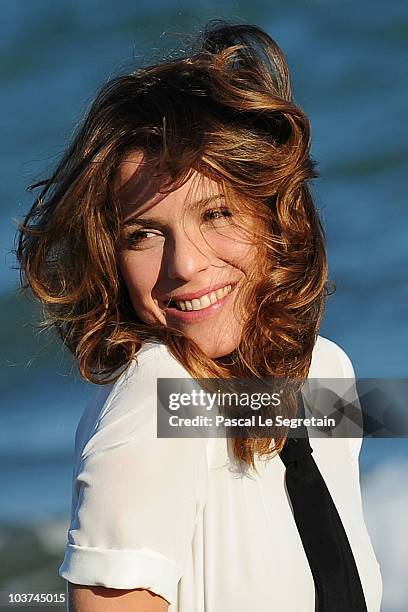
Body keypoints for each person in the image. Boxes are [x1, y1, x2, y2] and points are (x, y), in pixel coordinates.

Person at [15, 20, 382, 612]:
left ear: (274, 216)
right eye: (143, 235)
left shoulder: (325, 373)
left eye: (216, 215)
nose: (184, 264)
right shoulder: (159, 395)